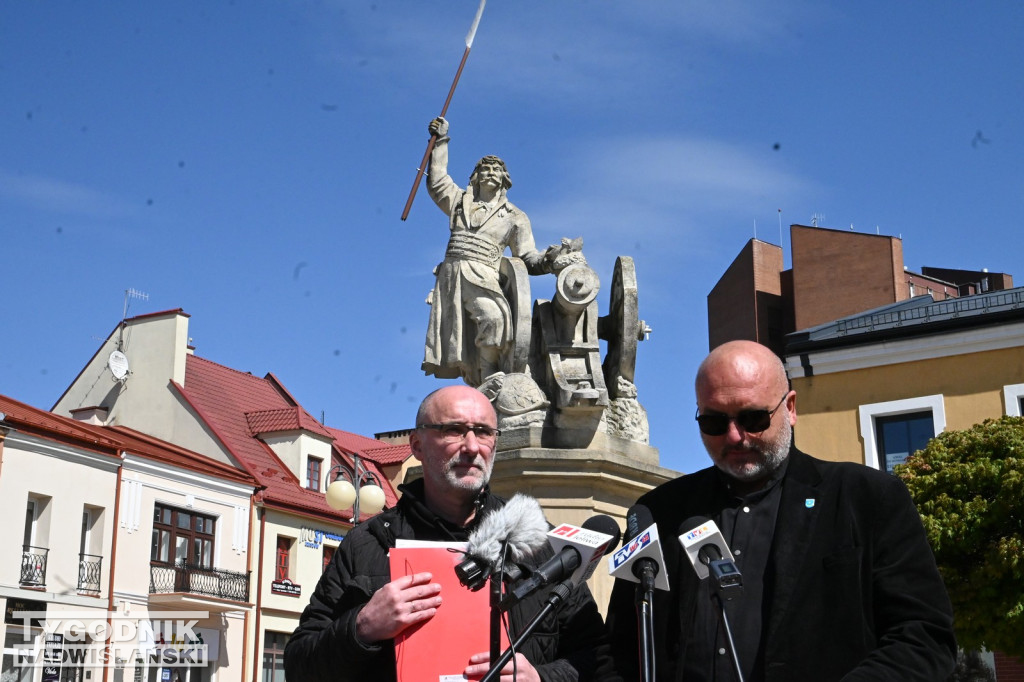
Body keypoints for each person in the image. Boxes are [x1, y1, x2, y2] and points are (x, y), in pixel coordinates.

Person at [605, 340, 957, 681]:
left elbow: (924, 637)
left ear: (790, 408)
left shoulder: (866, 498)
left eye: (753, 418)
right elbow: (618, 649)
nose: (734, 436)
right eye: (714, 422)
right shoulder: (660, 510)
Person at [285, 385, 614, 682]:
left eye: (483, 432)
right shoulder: (366, 544)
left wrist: (541, 678)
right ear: (416, 444)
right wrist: (362, 627)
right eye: (453, 430)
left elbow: (599, 660)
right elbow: (300, 666)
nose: (471, 446)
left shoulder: (539, 545)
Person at [422, 116, 559, 386]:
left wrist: (551, 261)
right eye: (485, 169)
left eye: (496, 169)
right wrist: (441, 140)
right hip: (453, 275)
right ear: (476, 176)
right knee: (459, 334)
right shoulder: (459, 201)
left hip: (485, 276)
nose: (490, 173)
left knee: (494, 318)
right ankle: (482, 381)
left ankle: (490, 377)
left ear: (505, 179)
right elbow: (436, 182)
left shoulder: (515, 217)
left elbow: (527, 257)